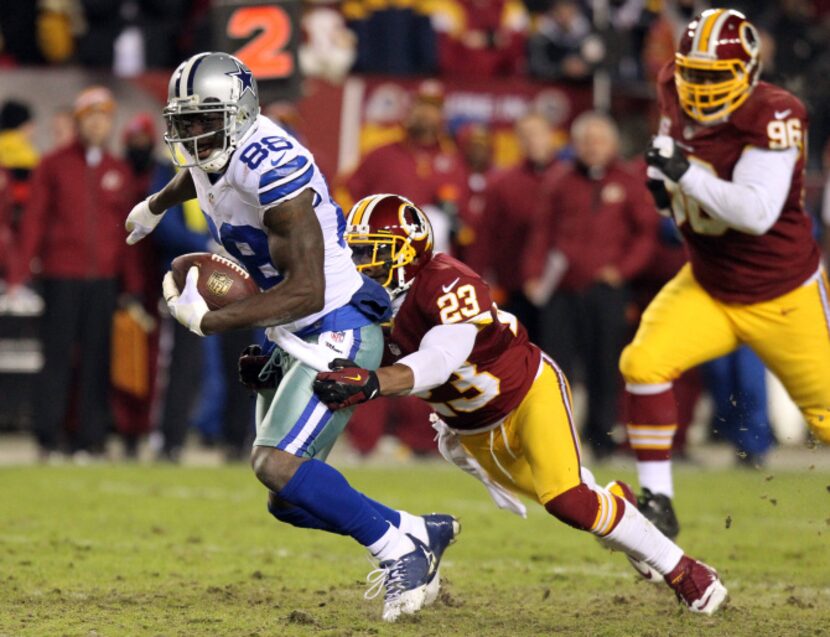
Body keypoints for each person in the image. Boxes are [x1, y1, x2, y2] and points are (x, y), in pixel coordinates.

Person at [123, 52, 458, 622]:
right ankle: (415, 529)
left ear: (241, 112)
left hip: (335, 327)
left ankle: (399, 551)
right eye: (185, 120)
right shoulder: (218, 147)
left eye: (205, 119)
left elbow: (305, 290)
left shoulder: (277, 172)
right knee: (288, 499)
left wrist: (210, 320)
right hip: (295, 330)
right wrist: (155, 205)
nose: (192, 133)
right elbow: (200, 172)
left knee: (276, 463)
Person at [313, 192, 728, 616]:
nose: (361, 263)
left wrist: (374, 381)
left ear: (408, 251)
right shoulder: (361, 302)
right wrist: (278, 363)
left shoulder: (447, 283)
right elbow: (326, 346)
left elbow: (438, 361)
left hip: (528, 393)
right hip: (473, 429)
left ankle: (688, 571)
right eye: (357, 250)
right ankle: (620, 503)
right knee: (584, 502)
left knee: (568, 500)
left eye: (372, 252)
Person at [621, 8, 830, 540]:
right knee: (643, 364)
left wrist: (681, 173)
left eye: (715, 76)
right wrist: (663, 184)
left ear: (749, 73)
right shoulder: (671, 83)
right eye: (694, 72)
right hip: (709, 284)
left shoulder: (777, 113)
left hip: (782, 294)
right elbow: (673, 156)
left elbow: (755, 213)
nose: (701, 85)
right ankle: (659, 501)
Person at [7, 86, 140, 460]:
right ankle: (48, 436)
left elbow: (128, 230)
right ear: (79, 122)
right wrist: (19, 273)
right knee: (57, 357)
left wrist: (132, 284)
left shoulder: (118, 170)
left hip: (104, 278)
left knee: (99, 359)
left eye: (105, 117)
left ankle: (90, 437)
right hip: (61, 273)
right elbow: (33, 220)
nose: (99, 124)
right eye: (91, 117)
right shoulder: (54, 165)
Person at [523, 112, 658, 460]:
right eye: (585, 140)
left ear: (612, 144)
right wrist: (533, 274)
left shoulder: (628, 181)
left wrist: (623, 270)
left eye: (599, 140)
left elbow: (645, 234)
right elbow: (542, 232)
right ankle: (555, 439)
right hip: (563, 289)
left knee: (605, 366)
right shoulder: (560, 180)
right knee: (555, 368)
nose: (592, 147)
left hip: (605, 290)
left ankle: (603, 438)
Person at [471, 113, 557, 344]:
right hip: (515, 285)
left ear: (551, 137)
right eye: (525, 136)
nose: (532, 141)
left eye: (537, 134)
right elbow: (485, 237)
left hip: (562, 289)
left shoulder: (569, 178)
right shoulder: (502, 183)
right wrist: (476, 282)